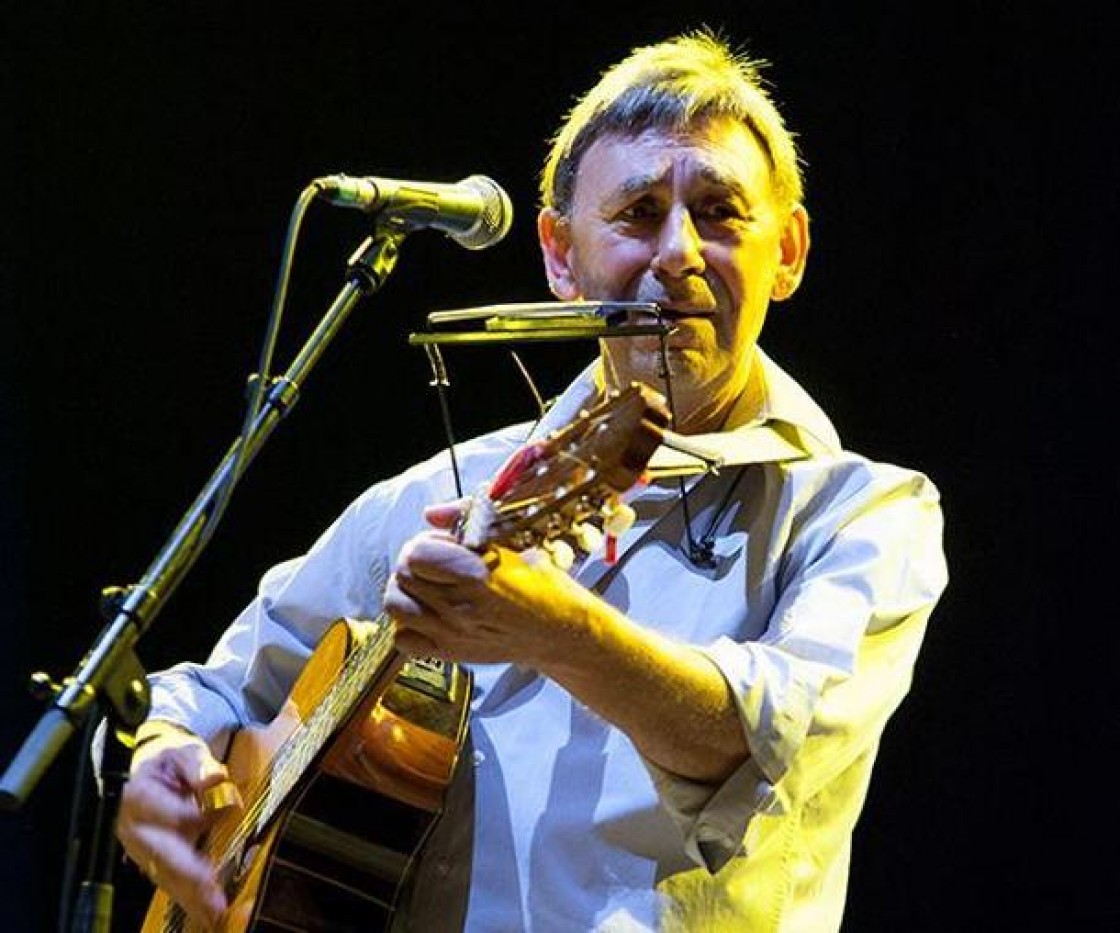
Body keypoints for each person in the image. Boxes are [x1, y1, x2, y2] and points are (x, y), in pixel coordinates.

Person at [111, 27, 948, 931]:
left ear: (787, 251)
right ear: (559, 255)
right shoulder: (448, 488)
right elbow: (212, 689)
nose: (680, 252)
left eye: (719, 210)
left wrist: (560, 631)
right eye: (636, 213)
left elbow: (767, 740)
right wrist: (161, 755)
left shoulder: (865, 513)